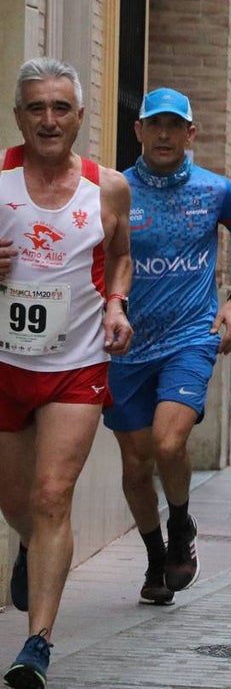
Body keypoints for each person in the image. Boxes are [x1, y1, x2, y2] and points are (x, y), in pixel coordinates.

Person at [0, 57, 134, 688]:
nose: (48, 120)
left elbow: (122, 256)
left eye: (60, 108)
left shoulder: (107, 188)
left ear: (80, 116)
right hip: (5, 363)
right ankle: (30, 546)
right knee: (18, 503)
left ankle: (37, 645)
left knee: (53, 497)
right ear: (19, 115)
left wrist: (115, 303)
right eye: (36, 108)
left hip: (76, 364)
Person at [103, 88, 231, 607]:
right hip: (127, 345)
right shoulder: (115, 190)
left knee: (168, 445)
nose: (165, 135)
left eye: (176, 126)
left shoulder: (215, 190)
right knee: (134, 466)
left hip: (190, 337)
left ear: (191, 133)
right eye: (156, 125)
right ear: (139, 131)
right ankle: (153, 557)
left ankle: (180, 523)